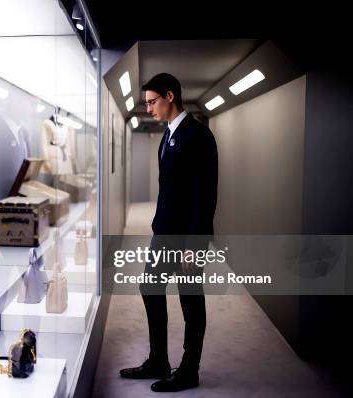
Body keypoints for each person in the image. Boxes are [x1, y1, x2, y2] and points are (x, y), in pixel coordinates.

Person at [119, 73, 218, 392]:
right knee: (149, 286)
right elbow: (170, 191)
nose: (148, 108)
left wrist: (193, 244)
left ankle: (189, 370)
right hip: (164, 234)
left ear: (170, 96)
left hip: (186, 238)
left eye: (151, 101)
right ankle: (158, 360)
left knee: (190, 299)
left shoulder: (199, 136)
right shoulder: (168, 135)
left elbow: (205, 194)